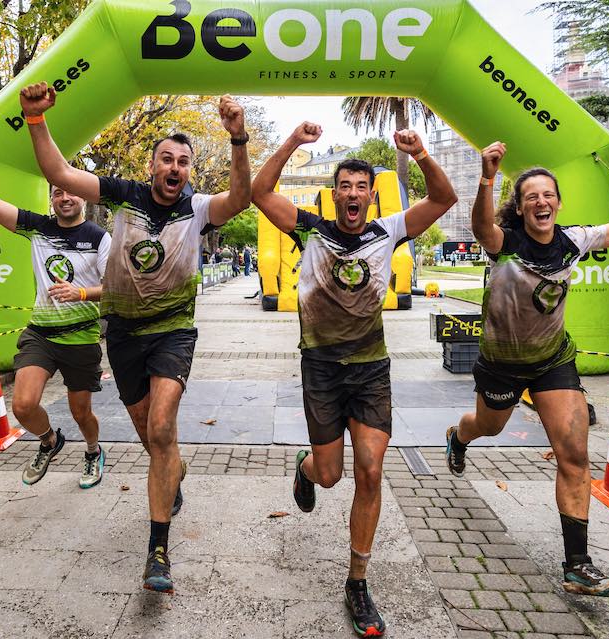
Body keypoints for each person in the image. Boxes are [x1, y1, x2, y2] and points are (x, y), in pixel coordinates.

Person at [19, 82, 252, 594]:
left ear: (190, 169)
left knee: (164, 426)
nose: (174, 167)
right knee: (153, 438)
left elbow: (240, 198)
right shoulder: (125, 194)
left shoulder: (197, 208)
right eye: (166, 159)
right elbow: (60, 173)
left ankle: (158, 551)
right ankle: (173, 471)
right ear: (152, 166)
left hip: (172, 332)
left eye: (183, 161)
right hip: (122, 335)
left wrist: (237, 138)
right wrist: (36, 120)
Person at [445, 140, 609, 598]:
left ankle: (578, 564)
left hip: (553, 361)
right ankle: (458, 438)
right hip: (501, 364)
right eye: (531, 196)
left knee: (574, 455)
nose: (541, 201)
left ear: (558, 202)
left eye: (548, 195)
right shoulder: (505, 244)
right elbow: (481, 227)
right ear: (519, 206)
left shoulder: (573, 240)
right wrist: (486, 178)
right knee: (487, 426)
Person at [252, 122, 456, 637]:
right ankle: (307, 467)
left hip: (370, 369)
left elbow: (444, 197)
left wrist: (422, 154)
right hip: (320, 369)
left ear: (370, 195)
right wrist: (295, 144)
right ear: (334, 193)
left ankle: (358, 582)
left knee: (369, 469)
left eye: (361, 186)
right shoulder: (310, 228)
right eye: (344, 185)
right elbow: (258, 193)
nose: (352, 193)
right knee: (331, 474)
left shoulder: (387, 231)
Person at [0, 131, 111, 492]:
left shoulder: (99, 238)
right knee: (23, 406)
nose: (65, 196)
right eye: (58, 192)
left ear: (83, 197)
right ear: (52, 199)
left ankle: (92, 450)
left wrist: (82, 291)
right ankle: (49, 442)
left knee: (81, 412)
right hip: (41, 333)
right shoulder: (37, 228)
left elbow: (117, 287)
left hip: (80, 336)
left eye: (71, 191)